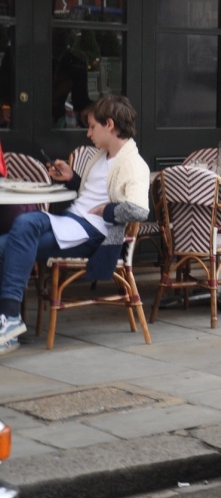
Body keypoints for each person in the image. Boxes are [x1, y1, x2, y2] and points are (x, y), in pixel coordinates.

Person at [0, 95, 150, 355]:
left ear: (110, 125)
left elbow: (139, 209)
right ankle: (9, 323)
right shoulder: (101, 157)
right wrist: (72, 178)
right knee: (15, 235)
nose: (88, 133)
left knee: (21, 230)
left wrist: (108, 210)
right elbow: (93, 191)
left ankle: (10, 318)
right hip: (72, 224)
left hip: (94, 235)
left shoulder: (133, 164)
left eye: (92, 127)